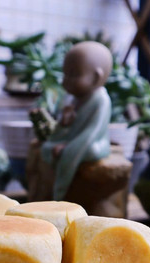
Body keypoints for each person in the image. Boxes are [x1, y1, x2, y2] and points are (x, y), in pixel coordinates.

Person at [40, 41, 113, 200]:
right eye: (65, 74)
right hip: (72, 140)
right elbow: (63, 129)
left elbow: (91, 132)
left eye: (73, 74)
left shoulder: (101, 100)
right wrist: (64, 123)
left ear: (96, 77)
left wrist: (68, 147)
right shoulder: (73, 99)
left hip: (90, 143)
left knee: (88, 151)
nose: (66, 80)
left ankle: (59, 194)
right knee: (46, 147)